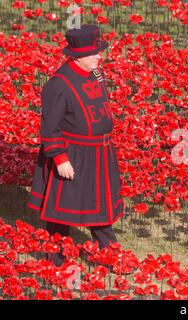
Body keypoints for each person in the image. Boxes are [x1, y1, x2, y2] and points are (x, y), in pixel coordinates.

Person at [27, 25, 124, 266]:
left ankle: (109, 255)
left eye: (98, 51)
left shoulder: (95, 73)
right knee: (62, 212)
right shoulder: (58, 84)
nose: (99, 56)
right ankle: (56, 260)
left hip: (100, 153)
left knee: (101, 208)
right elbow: (50, 125)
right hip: (74, 154)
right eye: (93, 53)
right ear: (77, 56)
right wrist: (59, 158)